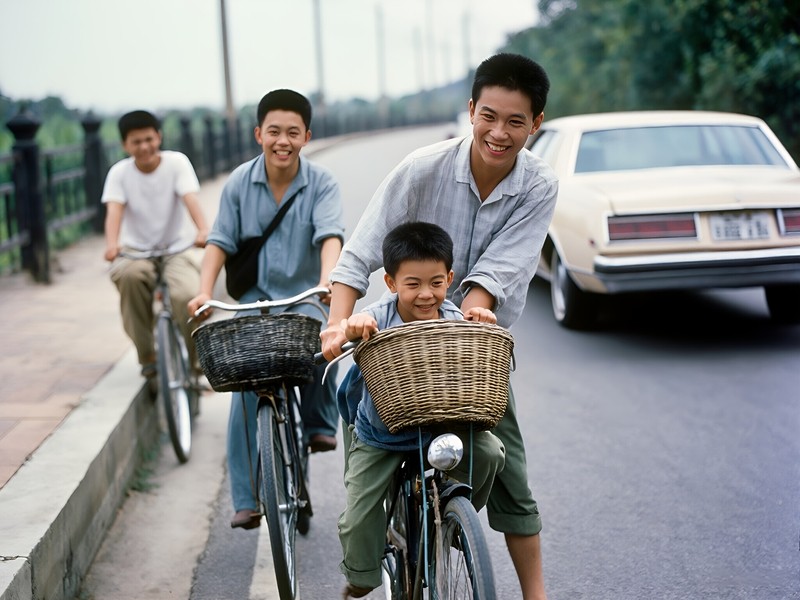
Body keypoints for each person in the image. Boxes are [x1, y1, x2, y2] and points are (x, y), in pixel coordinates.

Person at [321, 53, 557, 600]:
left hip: (467, 352)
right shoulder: (422, 168)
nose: (499, 133)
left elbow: (497, 273)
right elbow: (358, 253)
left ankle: (530, 589)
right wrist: (336, 326)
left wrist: (469, 320)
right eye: (489, 116)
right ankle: (386, 541)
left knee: (511, 473)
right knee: (371, 458)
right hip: (400, 350)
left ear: (536, 124)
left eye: (516, 121)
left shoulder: (539, 185)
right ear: (471, 109)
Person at [188, 89, 345, 530]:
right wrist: (203, 292)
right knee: (241, 390)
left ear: (306, 136)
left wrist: (326, 280)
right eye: (273, 131)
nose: (283, 140)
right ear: (259, 133)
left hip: (302, 298)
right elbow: (219, 241)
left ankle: (317, 422)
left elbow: (329, 235)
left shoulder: (322, 183)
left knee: (322, 343)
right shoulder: (240, 182)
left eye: (292, 132)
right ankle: (246, 497)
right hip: (252, 304)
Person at [336, 221, 505, 598]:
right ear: (392, 283)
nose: (426, 295)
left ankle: (452, 524)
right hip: (384, 431)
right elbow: (352, 328)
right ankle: (362, 575)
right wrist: (353, 325)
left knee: (491, 453)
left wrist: (483, 322)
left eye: (436, 283)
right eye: (413, 284)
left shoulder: (454, 317)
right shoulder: (378, 317)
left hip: (444, 424)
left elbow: (474, 349)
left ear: (449, 278)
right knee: (358, 514)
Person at [103, 109, 208, 384]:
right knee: (129, 278)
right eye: (136, 142)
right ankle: (147, 357)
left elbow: (190, 199)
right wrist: (112, 245)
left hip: (177, 247)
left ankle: (196, 364)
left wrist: (202, 230)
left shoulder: (176, 163)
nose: (144, 146)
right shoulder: (119, 173)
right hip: (136, 250)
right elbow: (114, 212)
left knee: (187, 295)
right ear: (125, 145)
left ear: (159, 137)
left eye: (149, 139)